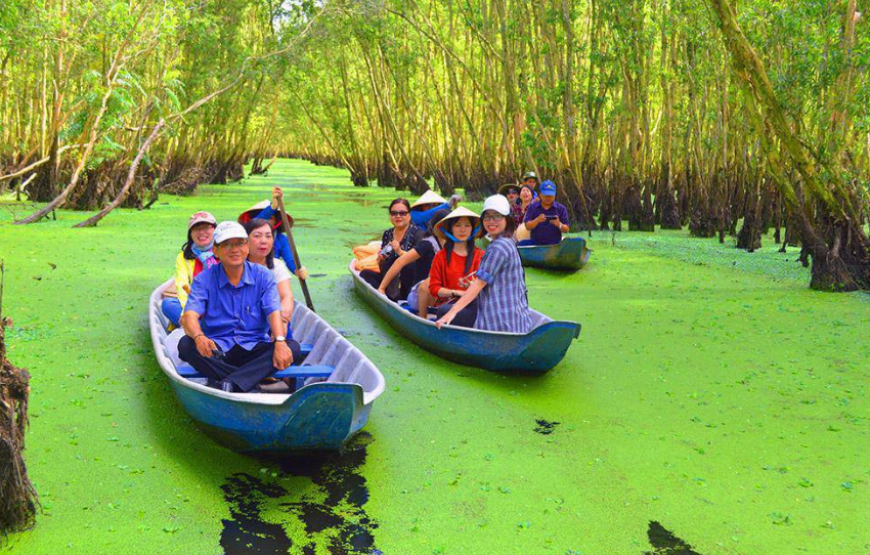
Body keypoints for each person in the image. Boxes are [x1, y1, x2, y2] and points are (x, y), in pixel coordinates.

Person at [178, 221, 301, 393]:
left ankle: (231, 383)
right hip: (218, 350)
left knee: (293, 347)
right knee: (185, 345)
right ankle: (248, 379)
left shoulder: (263, 276)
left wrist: (280, 340)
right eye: (227, 244)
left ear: (247, 247)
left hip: (254, 347)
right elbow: (189, 316)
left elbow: (273, 310)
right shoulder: (204, 279)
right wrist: (199, 337)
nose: (234, 249)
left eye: (239, 243)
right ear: (215, 250)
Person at [436, 196, 532, 332]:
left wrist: (451, 314)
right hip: (514, 317)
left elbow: (478, 284)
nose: (491, 221)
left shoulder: (498, 247)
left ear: (507, 219)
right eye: (487, 217)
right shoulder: (508, 241)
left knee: (444, 310)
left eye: (497, 216)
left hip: (500, 322)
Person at [378, 208, 449, 316]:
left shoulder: (453, 245)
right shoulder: (427, 244)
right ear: (436, 227)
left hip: (442, 294)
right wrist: (382, 289)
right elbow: (400, 262)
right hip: (420, 295)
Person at [359, 198, 425, 301]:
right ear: (390, 216)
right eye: (394, 213)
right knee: (365, 274)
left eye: (402, 213)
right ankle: (387, 293)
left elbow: (421, 262)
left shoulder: (418, 233)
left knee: (408, 266)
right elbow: (382, 260)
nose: (398, 216)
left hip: (409, 284)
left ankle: (400, 297)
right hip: (388, 280)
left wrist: (400, 252)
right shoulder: (388, 234)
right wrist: (380, 258)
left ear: (409, 215)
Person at [428, 207, 485, 326]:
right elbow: (434, 289)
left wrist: (472, 289)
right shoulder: (440, 257)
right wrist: (457, 293)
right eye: (458, 225)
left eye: (467, 225)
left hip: (475, 306)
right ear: (450, 229)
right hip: (450, 306)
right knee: (443, 311)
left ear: (472, 229)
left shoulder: (481, 256)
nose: (463, 230)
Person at [161, 211, 218, 327]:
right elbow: (182, 287)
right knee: (168, 304)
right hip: (194, 306)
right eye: (197, 228)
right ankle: (195, 327)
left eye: (206, 227)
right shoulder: (183, 257)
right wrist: (189, 313)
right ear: (190, 234)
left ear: (215, 230)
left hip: (221, 308)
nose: (202, 232)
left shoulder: (226, 250)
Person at [238, 187, 309, 279]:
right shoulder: (247, 234)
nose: (265, 223)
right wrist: (273, 207)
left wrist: (298, 270)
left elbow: (290, 260)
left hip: (269, 276)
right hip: (246, 274)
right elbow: (258, 220)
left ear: (276, 221)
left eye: (270, 218)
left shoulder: (281, 239)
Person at [245, 218, 295, 339]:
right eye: (257, 236)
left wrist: (282, 322)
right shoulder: (236, 265)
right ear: (245, 241)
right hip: (244, 323)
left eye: (268, 236)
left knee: (292, 349)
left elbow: (287, 296)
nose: (264, 241)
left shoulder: (276, 265)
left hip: (273, 319)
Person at [523, 180, 570, 245]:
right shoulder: (532, 207)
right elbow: (527, 226)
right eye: (545, 195)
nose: (548, 198)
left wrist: (559, 224)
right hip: (535, 244)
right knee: (521, 244)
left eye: (550, 195)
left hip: (555, 244)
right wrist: (537, 220)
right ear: (540, 194)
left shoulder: (561, 208)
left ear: (555, 195)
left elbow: (566, 229)